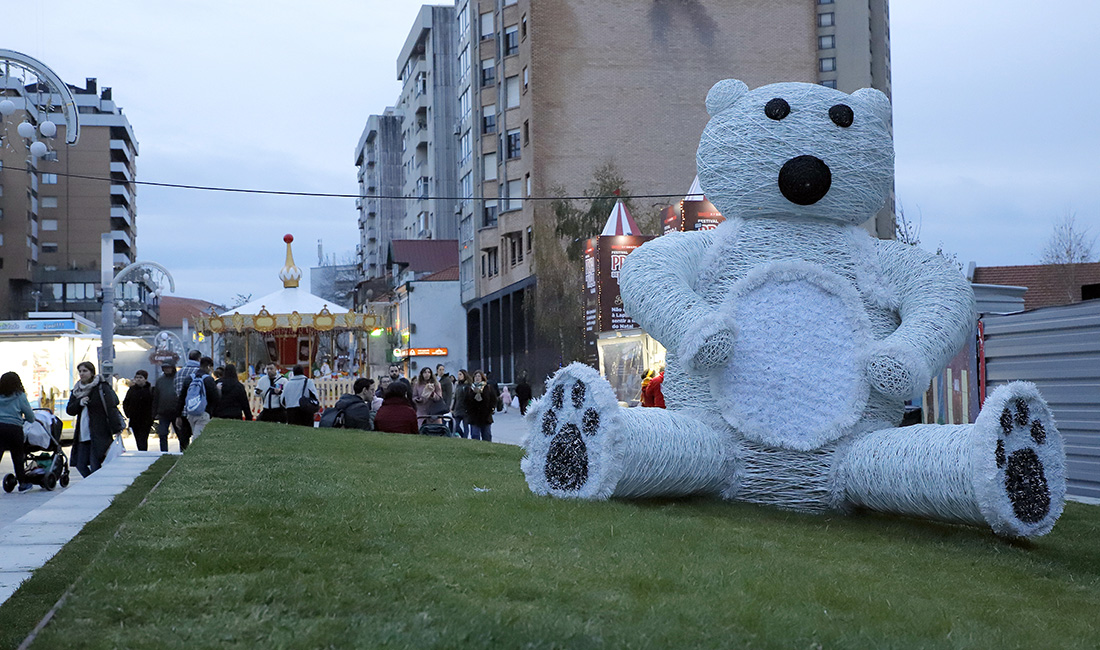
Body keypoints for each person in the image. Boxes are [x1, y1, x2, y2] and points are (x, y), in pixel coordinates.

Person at [67, 361, 120, 477]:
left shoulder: (101, 387)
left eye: (85, 371)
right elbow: (70, 410)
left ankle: (97, 484)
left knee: (95, 464)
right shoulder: (77, 389)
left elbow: (112, 405)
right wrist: (79, 402)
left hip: (99, 432)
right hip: (83, 433)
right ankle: (94, 481)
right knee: (80, 464)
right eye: (80, 371)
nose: (82, 374)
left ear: (92, 372)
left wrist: (117, 427)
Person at [0, 371, 37, 492]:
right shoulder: (20, 396)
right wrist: (29, 419)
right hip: (14, 429)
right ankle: (23, 483)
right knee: (17, 457)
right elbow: (30, 416)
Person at [176, 356, 220, 441]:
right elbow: (215, 398)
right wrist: (211, 412)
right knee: (198, 438)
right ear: (209, 366)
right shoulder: (208, 380)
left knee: (195, 434)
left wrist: (178, 415)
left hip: (191, 413)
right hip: (204, 413)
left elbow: (181, 398)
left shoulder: (189, 378)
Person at [174, 350, 202, 447]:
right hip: (197, 410)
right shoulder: (199, 372)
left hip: (183, 411)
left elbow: (177, 392)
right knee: (198, 438)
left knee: (184, 440)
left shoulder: (179, 373)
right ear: (199, 359)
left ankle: (183, 454)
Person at [122, 369, 155, 451]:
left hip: (146, 418)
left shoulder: (150, 390)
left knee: (144, 436)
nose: (138, 379)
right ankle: (141, 450)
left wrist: (153, 415)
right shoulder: (132, 390)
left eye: (140, 377)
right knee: (137, 437)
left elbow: (154, 403)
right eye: (136, 377)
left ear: (145, 379)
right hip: (135, 418)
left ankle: (143, 450)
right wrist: (128, 413)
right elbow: (126, 402)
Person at [151, 362, 179, 452]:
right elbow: (156, 397)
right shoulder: (160, 381)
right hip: (163, 412)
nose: (167, 369)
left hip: (177, 412)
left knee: (181, 434)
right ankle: (163, 452)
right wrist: (154, 413)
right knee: (162, 434)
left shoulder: (178, 379)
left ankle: (183, 451)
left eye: (168, 367)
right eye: (165, 368)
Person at [464, 369, 497, 442]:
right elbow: (466, 401)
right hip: (474, 416)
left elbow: (493, 399)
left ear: (482, 378)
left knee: (487, 436)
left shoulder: (487, 388)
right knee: (475, 435)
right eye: (476, 376)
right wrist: (468, 411)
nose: (477, 378)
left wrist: (491, 409)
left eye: (479, 376)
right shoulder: (470, 389)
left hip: (486, 416)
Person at [451, 369, 471, 438]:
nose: (458, 376)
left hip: (465, 409)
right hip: (458, 408)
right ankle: (462, 436)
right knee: (455, 426)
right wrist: (453, 408)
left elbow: (468, 398)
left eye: (460, 374)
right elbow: (456, 398)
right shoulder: (458, 385)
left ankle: (465, 438)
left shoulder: (468, 386)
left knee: (466, 426)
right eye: (458, 374)